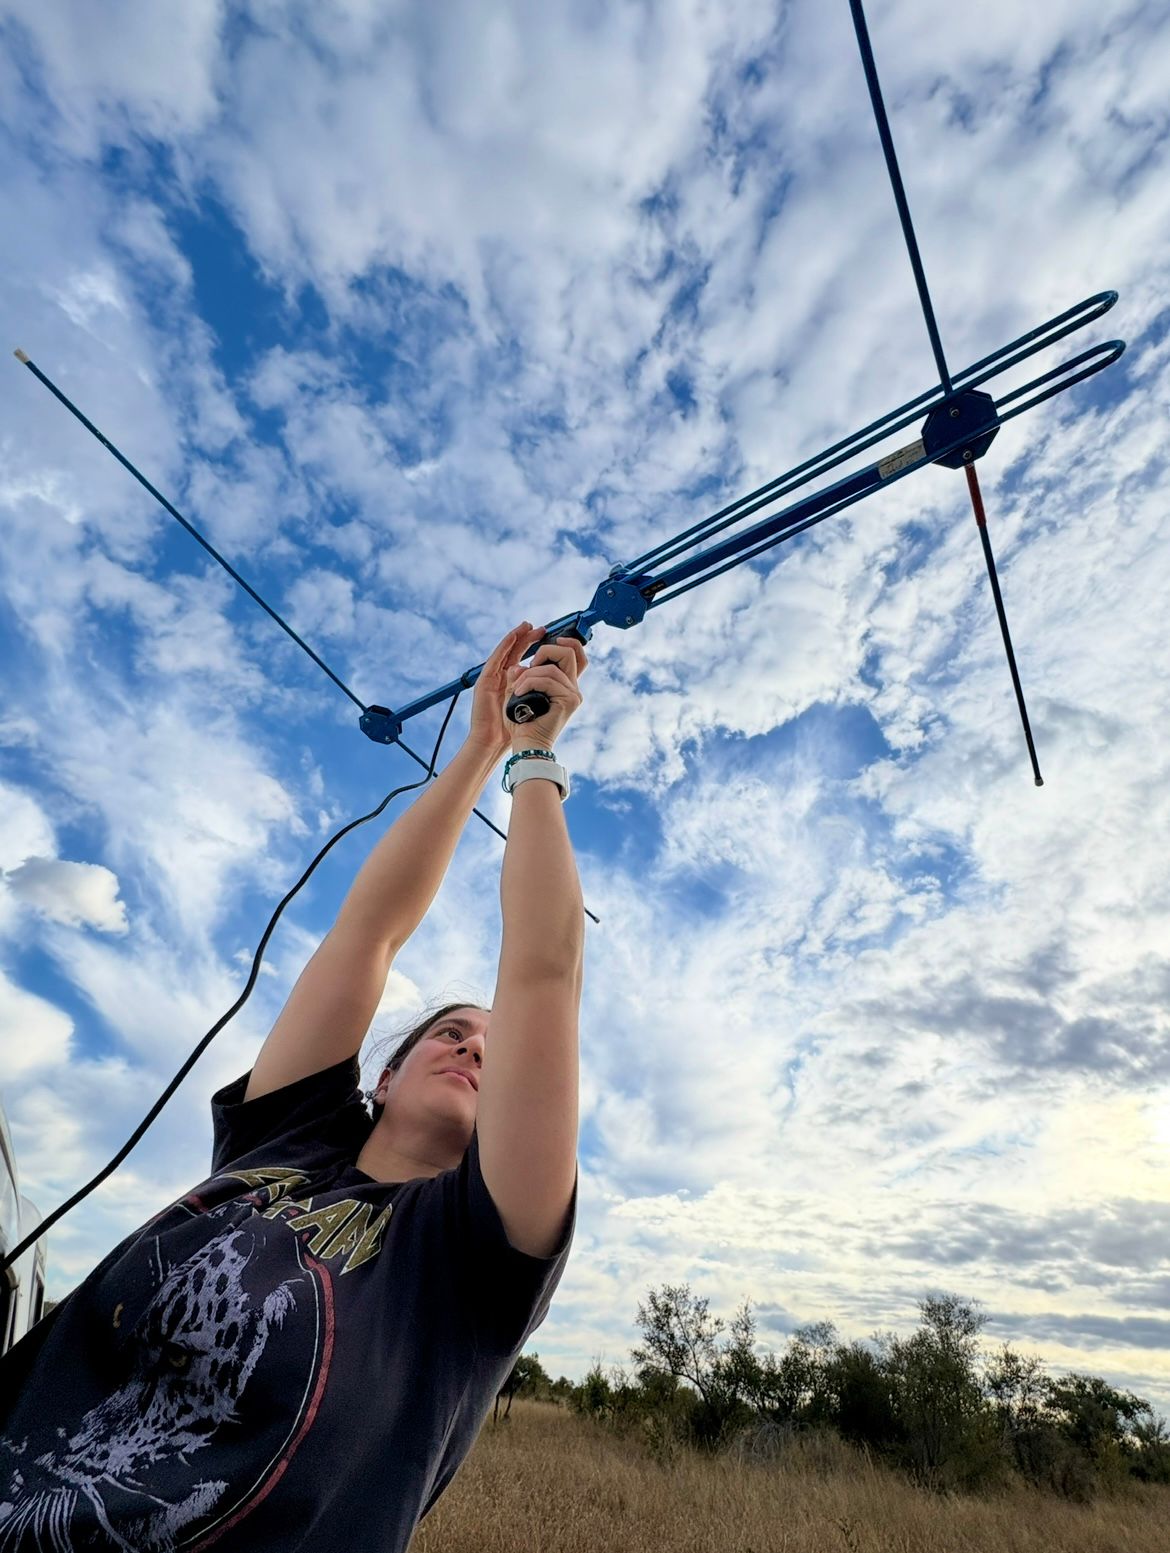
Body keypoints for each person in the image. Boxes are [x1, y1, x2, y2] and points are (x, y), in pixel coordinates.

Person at [0, 621, 587, 1552]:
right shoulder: (286, 1136)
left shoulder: (478, 1256)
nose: (476, 1048)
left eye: (495, 1047)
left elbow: (544, 977)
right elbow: (368, 932)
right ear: (384, 1074)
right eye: (450, 1031)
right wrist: (478, 746)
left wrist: (534, 756)